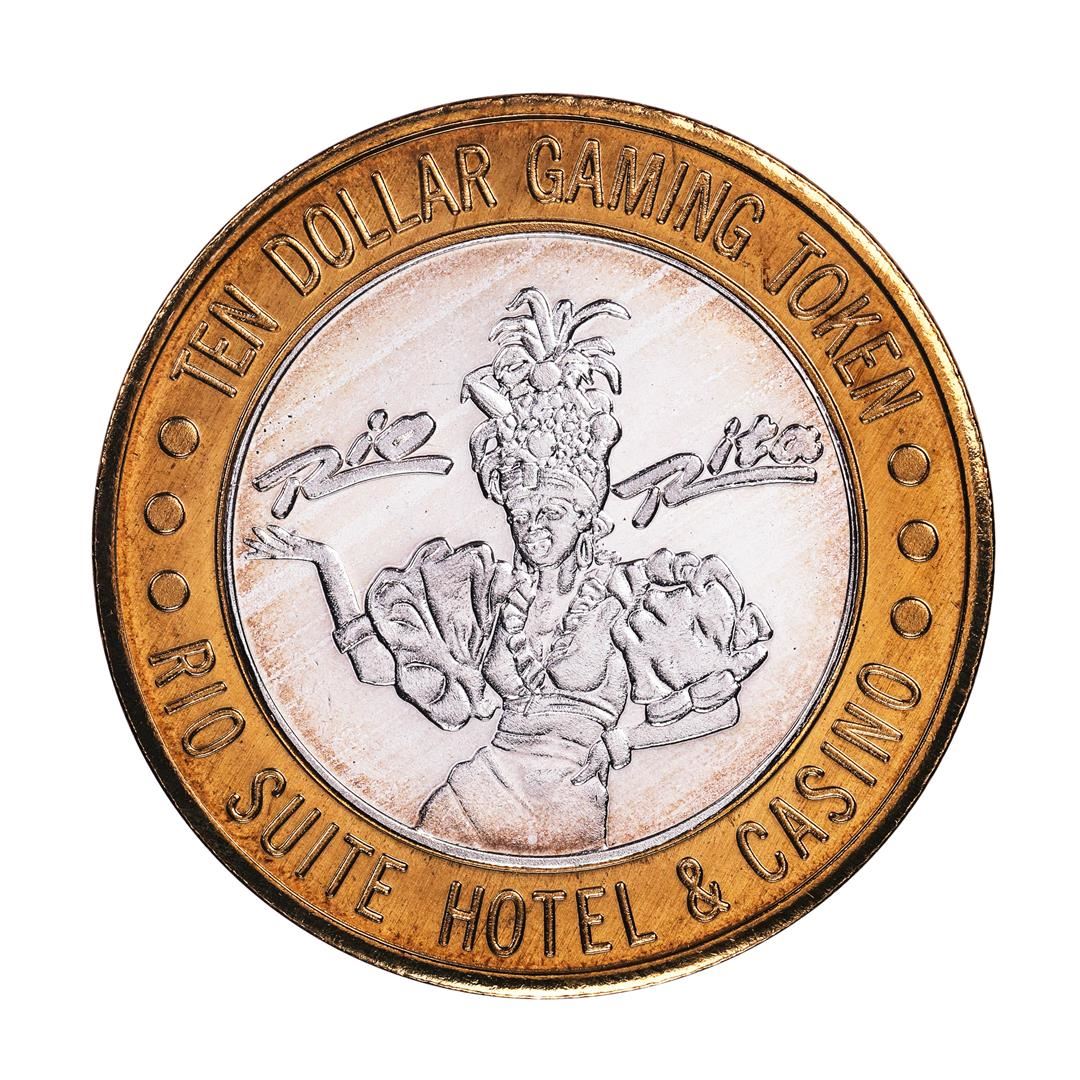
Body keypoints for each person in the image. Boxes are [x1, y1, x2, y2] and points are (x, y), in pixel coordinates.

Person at [248, 288, 771, 856]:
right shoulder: (490, 594)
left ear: (585, 513)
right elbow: (377, 665)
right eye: (522, 514)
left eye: (553, 513)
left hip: (571, 803)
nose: (534, 528)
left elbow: (722, 707)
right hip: (475, 790)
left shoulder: (635, 592)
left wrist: (623, 741)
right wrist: (325, 560)